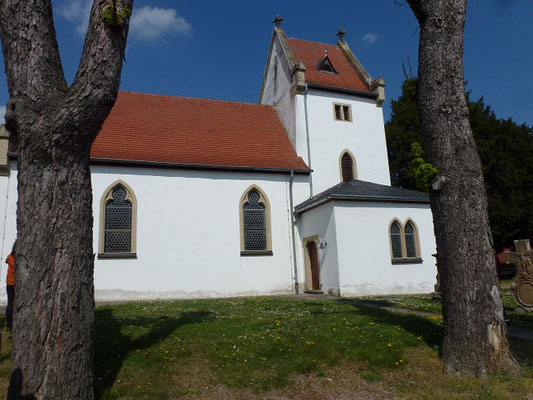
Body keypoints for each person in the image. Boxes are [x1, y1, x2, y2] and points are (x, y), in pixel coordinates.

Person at [5, 242, 15, 330]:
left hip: (9, 283)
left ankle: (9, 325)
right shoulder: (17, 260)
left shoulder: (10, 258)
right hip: (15, 283)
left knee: (10, 303)